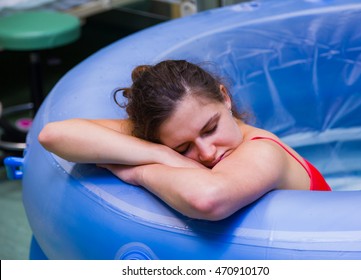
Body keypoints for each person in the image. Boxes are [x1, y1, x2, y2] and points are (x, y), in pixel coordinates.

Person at [38, 60, 331, 221]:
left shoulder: (263, 151)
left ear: (225, 98)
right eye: (183, 146)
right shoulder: (166, 141)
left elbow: (207, 200)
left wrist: (138, 171)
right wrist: (164, 155)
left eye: (210, 129)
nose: (206, 152)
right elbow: (54, 135)